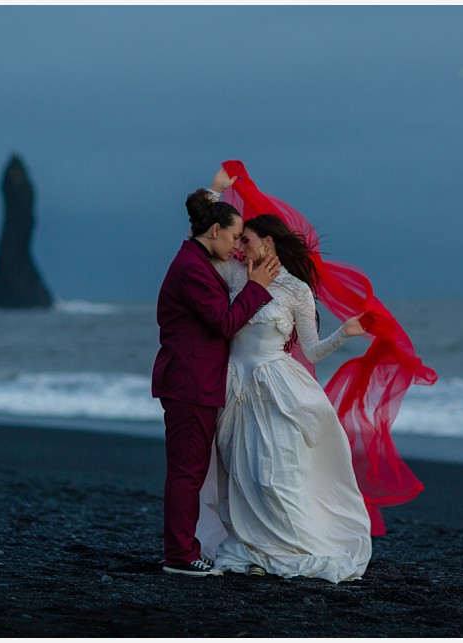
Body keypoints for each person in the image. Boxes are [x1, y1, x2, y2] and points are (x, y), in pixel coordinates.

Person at [197, 213, 373, 584]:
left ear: (269, 242)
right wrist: (212, 192)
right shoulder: (231, 274)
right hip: (232, 386)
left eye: (247, 239)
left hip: (276, 387)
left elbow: (311, 351)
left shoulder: (297, 290)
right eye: (238, 239)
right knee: (236, 474)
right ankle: (251, 546)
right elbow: (204, 236)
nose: (239, 246)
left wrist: (345, 332)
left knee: (273, 473)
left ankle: (291, 545)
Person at [152, 170, 281, 576]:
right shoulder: (192, 268)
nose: (237, 246)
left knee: (189, 469)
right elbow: (224, 323)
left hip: (194, 379)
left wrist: (216, 189)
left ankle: (184, 549)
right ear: (214, 231)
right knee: (187, 471)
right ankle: (181, 556)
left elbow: (198, 218)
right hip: (190, 380)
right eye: (233, 236)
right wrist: (256, 287)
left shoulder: (194, 256)